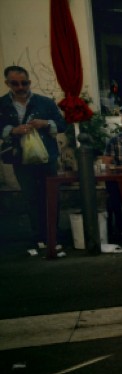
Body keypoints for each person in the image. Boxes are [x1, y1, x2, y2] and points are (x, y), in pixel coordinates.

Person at [0, 65, 67, 252]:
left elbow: (62, 125)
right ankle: (38, 237)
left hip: (46, 155)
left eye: (24, 83)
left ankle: (53, 236)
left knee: (51, 196)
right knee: (31, 197)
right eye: (15, 83)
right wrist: (12, 131)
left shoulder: (44, 102)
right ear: (7, 83)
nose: (21, 87)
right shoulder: (3, 104)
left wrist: (45, 123)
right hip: (20, 156)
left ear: (29, 82)